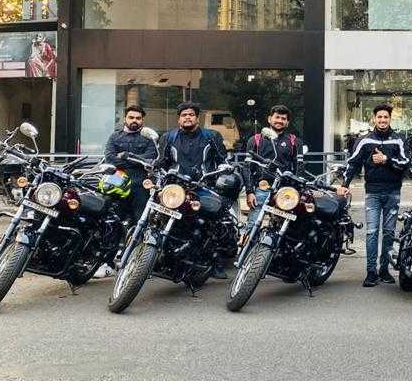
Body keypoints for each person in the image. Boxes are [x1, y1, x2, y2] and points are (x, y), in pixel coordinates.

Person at [155, 101, 231, 278]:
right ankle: (163, 257)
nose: (187, 117)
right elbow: (162, 161)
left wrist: (224, 170)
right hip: (176, 186)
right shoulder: (168, 137)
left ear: (197, 118)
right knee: (163, 218)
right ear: (178, 119)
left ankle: (215, 261)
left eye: (191, 115)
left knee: (210, 223)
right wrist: (155, 168)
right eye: (184, 115)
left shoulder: (211, 136)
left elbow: (222, 160)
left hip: (203, 186)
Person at [339, 104, 410, 288]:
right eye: (379, 117)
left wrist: (386, 160)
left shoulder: (398, 140)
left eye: (385, 117)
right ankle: (371, 272)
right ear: (374, 119)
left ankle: (384, 270)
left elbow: (405, 163)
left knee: (388, 232)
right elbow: (353, 163)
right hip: (372, 192)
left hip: (393, 192)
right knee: (371, 232)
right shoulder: (364, 140)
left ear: (390, 119)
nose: (382, 120)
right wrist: (344, 185)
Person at [95, 105, 158, 279]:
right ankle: (107, 263)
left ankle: (138, 266)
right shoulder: (115, 136)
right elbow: (110, 157)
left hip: (140, 186)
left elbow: (150, 159)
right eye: (131, 117)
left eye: (138, 118)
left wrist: (124, 157)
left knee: (141, 225)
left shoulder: (149, 139)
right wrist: (135, 160)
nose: (134, 121)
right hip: (116, 185)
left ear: (142, 120)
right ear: (125, 119)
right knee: (112, 223)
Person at [242, 105, 299, 237]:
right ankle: (248, 248)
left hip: (284, 191)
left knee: (284, 231)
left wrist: (296, 191)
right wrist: (250, 191)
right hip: (261, 189)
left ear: (287, 122)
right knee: (252, 227)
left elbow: (298, 168)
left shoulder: (294, 141)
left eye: (283, 118)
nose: (279, 121)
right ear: (269, 119)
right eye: (277, 117)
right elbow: (247, 167)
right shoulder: (255, 140)